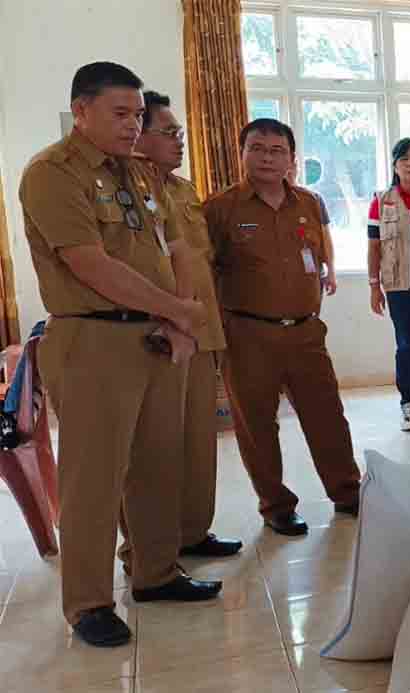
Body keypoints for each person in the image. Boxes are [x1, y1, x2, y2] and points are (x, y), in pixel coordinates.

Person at [19, 62, 221, 647]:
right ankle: (87, 604)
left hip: (156, 336)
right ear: (81, 111)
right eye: (120, 114)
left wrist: (181, 316)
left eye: (138, 115)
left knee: (159, 464)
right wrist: (177, 310)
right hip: (93, 339)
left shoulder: (138, 175)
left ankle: (155, 573)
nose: (134, 125)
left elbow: (177, 249)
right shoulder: (51, 174)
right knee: (95, 479)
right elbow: (90, 264)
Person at [204, 118, 361, 536]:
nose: (268, 157)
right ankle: (276, 505)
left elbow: (319, 253)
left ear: (292, 158)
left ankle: (347, 492)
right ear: (242, 154)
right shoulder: (220, 208)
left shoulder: (308, 203)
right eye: (258, 148)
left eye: (278, 150)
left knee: (327, 415)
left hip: (307, 332)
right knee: (256, 425)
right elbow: (204, 271)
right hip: (248, 334)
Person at [132, 89, 242, 559]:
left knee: (199, 441)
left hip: (202, 331)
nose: (179, 140)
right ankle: (147, 551)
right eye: (169, 132)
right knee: (155, 449)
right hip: (157, 336)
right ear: (139, 135)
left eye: (180, 132)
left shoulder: (184, 189)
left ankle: (193, 532)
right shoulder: (131, 190)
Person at [368, 138, 410, 432]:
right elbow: (374, 247)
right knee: (407, 346)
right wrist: (373, 286)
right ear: (395, 165)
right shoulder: (381, 201)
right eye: (405, 158)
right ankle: (408, 403)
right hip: (399, 287)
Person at [287, 158, 337, 295]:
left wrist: (331, 271)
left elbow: (326, 238)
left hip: (311, 273)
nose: (288, 171)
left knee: (310, 314)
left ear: (297, 168)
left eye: (292, 166)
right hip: (281, 275)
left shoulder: (313, 200)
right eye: (285, 166)